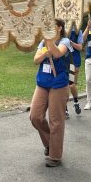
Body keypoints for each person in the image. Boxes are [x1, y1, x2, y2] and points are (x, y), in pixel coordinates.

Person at [30, 19, 72, 167]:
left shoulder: (65, 41)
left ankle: (55, 156)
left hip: (58, 84)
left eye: (52, 26)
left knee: (56, 121)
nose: (48, 29)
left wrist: (50, 44)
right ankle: (49, 142)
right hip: (43, 82)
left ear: (59, 28)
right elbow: (36, 60)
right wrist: (44, 53)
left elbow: (58, 53)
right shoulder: (42, 42)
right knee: (35, 116)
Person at [66, 25, 83, 118]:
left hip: (73, 61)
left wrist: (71, 42)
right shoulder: (61, 29)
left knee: (71, 84)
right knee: (63, 86)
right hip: (61, 61)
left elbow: (80, 47)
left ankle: (76, 101)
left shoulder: (77, 31)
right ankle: (64, 109)